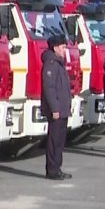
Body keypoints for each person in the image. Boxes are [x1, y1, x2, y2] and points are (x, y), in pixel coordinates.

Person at [40, 34, 73, 180]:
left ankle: (57, 167)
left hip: (62, 108)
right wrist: (54, 108)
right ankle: (52, 169)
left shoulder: (59, 63)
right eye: (62, 47)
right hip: (57, 110)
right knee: (54, 141)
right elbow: (49, 88)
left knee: (60, 141)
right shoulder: (51, 64)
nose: (64, 49)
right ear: (55, 47)